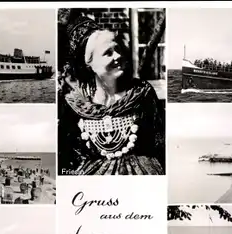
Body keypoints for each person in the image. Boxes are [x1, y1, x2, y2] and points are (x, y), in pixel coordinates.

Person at [58, 12, 165, 175]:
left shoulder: (142, 93)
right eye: (108, 53)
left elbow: (160, 146)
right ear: (89, 63)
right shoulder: (75, 104)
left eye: (118, 49)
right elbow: (67, 156)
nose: (118, 56)